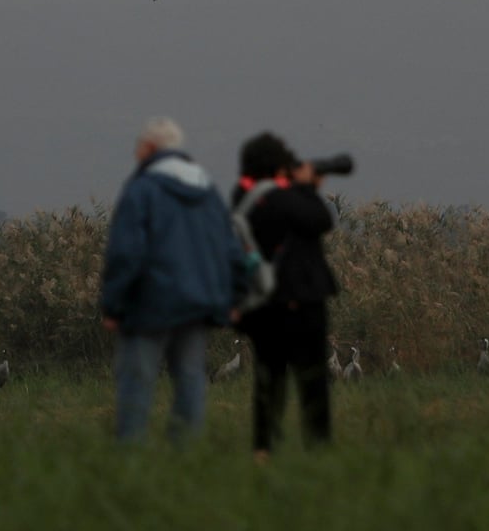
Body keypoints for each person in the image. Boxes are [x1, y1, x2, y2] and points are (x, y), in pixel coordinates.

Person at [100, 117, 246, 443]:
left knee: (138, 379)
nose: (136, 153)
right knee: (191, 379)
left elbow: (126, 253)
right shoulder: (207, 190)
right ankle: (183, 454)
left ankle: (131, 454)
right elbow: (230, 249)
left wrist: (113, 304)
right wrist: (235, 298)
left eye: (139, 146)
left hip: (149, 304)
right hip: (198, 304)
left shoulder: (141, 189)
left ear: (151, 148)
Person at [232, 131, 339, 459]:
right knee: (313, 383)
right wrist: (306, 186)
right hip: (301, 304)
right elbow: (321, 220)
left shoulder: (242, 196)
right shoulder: (284, 198)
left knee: (269, 382)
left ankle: (263, 450)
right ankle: (318, 450)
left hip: (262, 307)